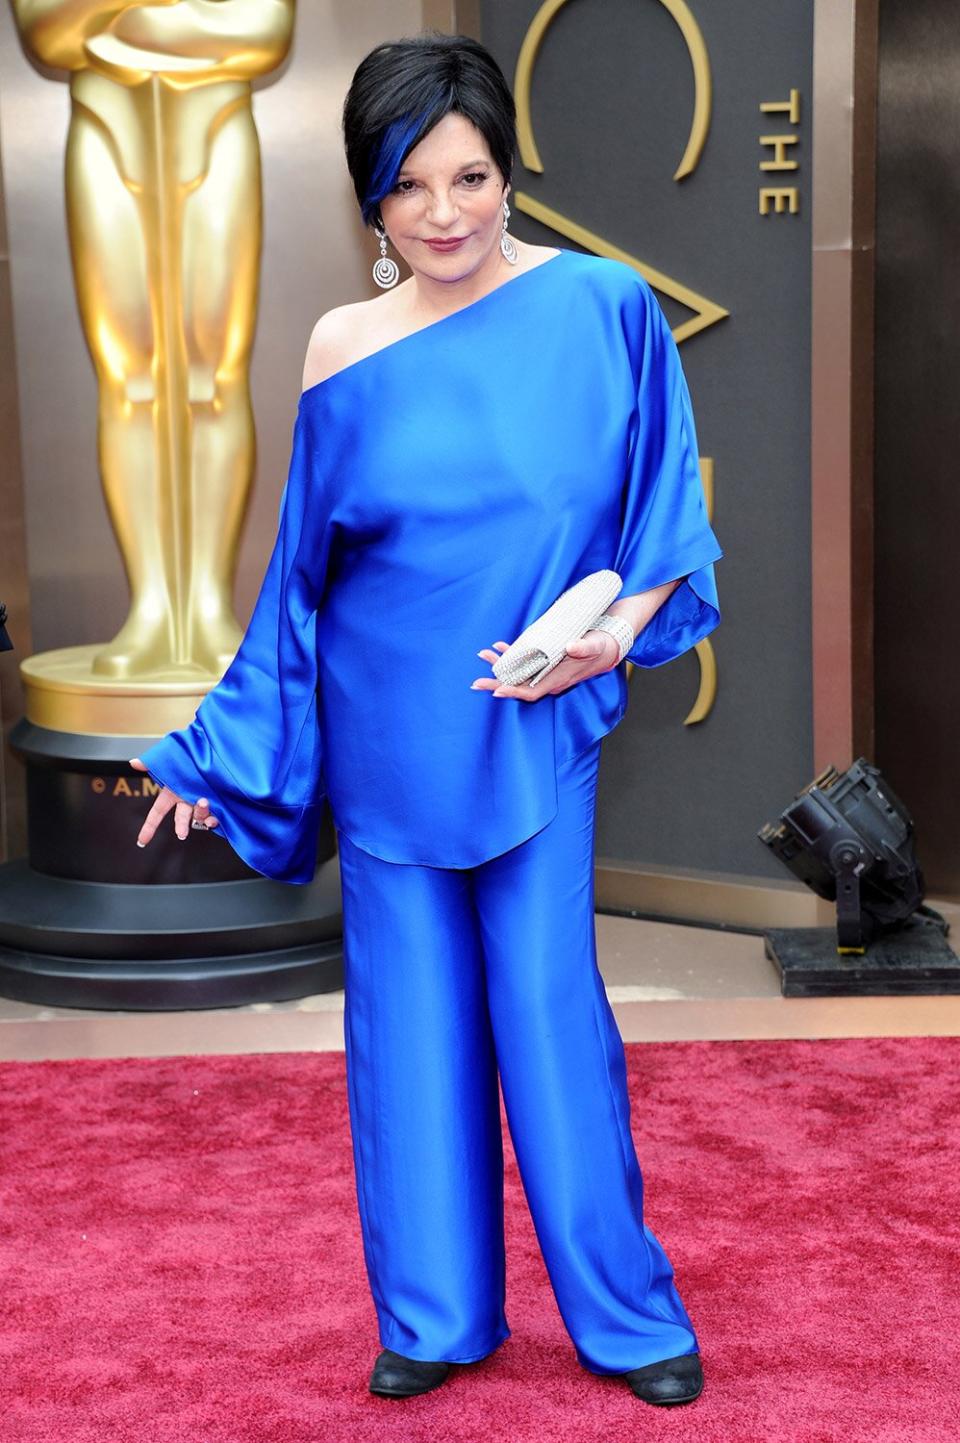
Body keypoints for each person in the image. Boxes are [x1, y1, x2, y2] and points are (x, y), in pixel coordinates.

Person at [131, 32, 723, 1409]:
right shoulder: (341, 346)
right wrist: (221, 749)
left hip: (531, 724)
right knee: (407, 1033)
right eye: (410, 187)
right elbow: (298, 576)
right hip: (384, 723)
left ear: (509, 177)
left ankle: (627, 1318)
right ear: (371, 202)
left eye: (470, 178)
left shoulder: (604, 309)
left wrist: (612, 643)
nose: (444, 213)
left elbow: (665, 513)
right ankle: (436, 1319)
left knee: (548, 1014)